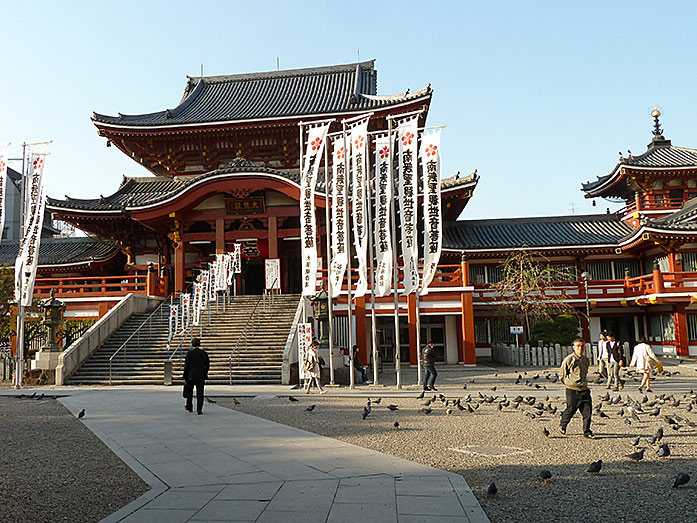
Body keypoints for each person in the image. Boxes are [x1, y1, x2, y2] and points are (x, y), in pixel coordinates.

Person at [559, 338, 594, 438]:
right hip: (572, 389)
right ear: (574, 347)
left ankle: (587, 431)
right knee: (571, 409)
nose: (580, 348)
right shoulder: (569, 359)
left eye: (582, 346)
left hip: (584, 389)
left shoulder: (586, 359)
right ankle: (563, 424)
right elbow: (562, 375)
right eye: (578, 346)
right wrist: (569, 383)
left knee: (587, 412)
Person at [183, 337, 210, 415]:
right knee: (200, 393)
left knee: (189, 392)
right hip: (200, 375)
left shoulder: (189, 353)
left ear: (192, 344)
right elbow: (207, 365)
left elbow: (187, 365)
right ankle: (199, 409)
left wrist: (185, 375)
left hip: (190, 375)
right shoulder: (204, 353)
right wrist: (205, 373)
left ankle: (189, 407)